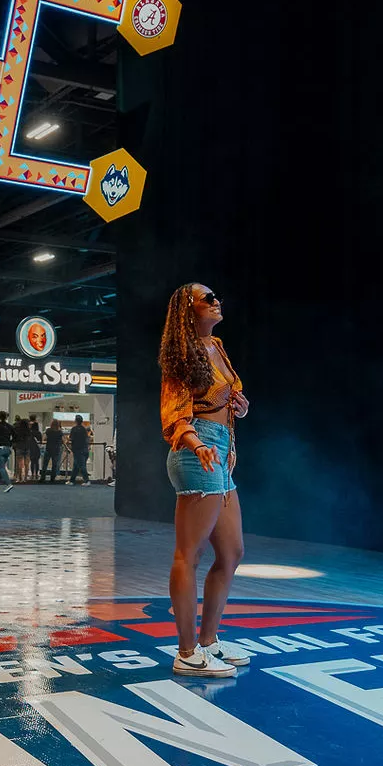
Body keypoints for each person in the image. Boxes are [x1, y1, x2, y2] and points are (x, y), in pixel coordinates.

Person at [159, 284, 253, 678]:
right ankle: (185, 651)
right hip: (196, 452)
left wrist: (240, 407)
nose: (217, 301)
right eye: (208, 298)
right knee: (189, 554)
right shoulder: (182, 356)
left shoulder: (217, 346)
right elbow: (175, 416)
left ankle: (209, 641)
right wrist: (198, 446)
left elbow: (225, 400)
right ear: (188, 310)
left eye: (217, 296)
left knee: (231, 553)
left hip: (221, 454)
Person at [0, 411, 15, 491]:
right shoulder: (10, 426)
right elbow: (15, 436)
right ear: (6, 417)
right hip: (7, 448)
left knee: (1, 467)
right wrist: (10, 443)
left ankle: (8, 484)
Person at [69, 415, 92, 485]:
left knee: (82, 466)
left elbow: (71, 439)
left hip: (78, 450)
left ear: (75, 421)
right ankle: (72, 481)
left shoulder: (74, 429)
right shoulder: (84, 429)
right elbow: (86, 439)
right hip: (84, 449)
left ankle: (87, 481)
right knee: (76, 465)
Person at [43, 418, 64, 484]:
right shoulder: (60, 432)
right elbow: (62, 440)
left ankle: (42, 478)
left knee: (45, 464)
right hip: (56, 449)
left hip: (48, 449)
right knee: (54, 465)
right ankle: (52, 478)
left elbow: (45, 438)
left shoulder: (48, 430)